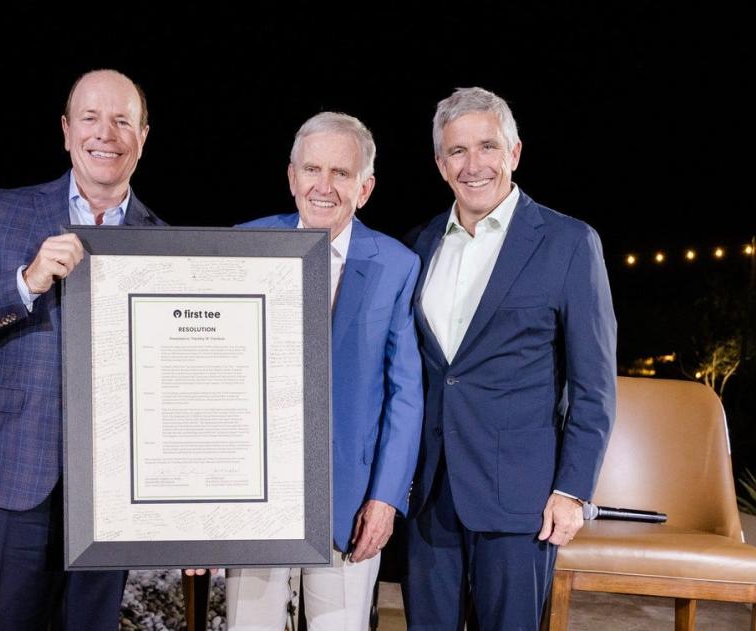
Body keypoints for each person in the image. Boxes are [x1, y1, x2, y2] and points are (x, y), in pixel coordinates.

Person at [0, 69, 164, 631]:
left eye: (122, 120)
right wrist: (24, 282)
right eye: (90, 118)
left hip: (115, 494)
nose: (105, 133)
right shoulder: (5, 211)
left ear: (143, 138)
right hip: (14, 474)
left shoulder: (164, 241)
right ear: (65, 131)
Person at [402, 87, 617, 630]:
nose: (474, 165)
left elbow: (594, 385)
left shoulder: (569, 242)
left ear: (514, 153)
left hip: (522, 502)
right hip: (431, 496)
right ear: (440, 164)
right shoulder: (420, 244)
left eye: (487, 147)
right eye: (457, 151)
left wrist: (573, 492)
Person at [227, 112, 423, 630]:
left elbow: (405, 395)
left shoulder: (397, 265)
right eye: (312, 169)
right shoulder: (241, 245)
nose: (324, 185)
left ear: (366, 187)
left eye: (341, 173)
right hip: (255, 500)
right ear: (291, 177)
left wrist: (384, 498)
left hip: (349, 501)